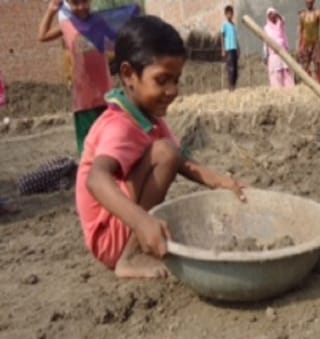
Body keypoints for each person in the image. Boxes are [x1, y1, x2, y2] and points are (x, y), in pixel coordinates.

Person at [76, 16, 246, 279]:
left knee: (168, 151)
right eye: (162, 80)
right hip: (109, 237)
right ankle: (131, 257)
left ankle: (135, 246)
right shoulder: (118, 125)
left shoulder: (148, 118)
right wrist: (142, 222)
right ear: (129, 74)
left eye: (176, 80)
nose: (172, 90)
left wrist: (223, 182)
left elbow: (182, 160)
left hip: (125, 224)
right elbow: (96, 180)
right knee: (165, 152)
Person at [38, 0, 114, 156]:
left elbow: (116, 39)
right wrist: (51, 11)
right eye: (75, 3)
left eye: (84, 2)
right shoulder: (67, 24)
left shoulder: (99, 22)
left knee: (109, 141)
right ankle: (88, 176)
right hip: (83, 97)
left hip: (106, 93)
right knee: (88, 148)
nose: (81, 7)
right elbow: (42, 35)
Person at [298, 0, 320, 84]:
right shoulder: (302, 15)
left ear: (313, 3)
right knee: (305, 65)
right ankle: (307, 83)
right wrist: (300, 45)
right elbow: (301, 31)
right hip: (306, 43)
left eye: (310, 2)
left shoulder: (317, 13)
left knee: (317, 65)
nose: (308, 4)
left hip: (315, 42)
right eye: (307, 2)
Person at [263, 7, 294, 88]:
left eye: (273, 14)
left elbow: (283, 20)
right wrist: (265, 55)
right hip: (273, 54)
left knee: (286, 71)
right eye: (269, 15)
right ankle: (277, 89)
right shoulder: (266, 28)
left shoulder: (280, 23)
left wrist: (278, 15)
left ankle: (289, 88)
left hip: (283, 51)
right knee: (276, 72)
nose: (271, 16)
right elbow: (265, 42)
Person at [221, 5, 240, 91]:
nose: (230, 15)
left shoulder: (234, 25)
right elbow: (222, 37)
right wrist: (223, 48)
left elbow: (236, 38)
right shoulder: (224, 25)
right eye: (228, 14)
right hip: (228, 48)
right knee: (231, 68)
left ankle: (234, 85)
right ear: (225, 14)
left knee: (235, 68)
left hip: (234, 48)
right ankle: (231, 86)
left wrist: (238, 48)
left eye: (231, 13)